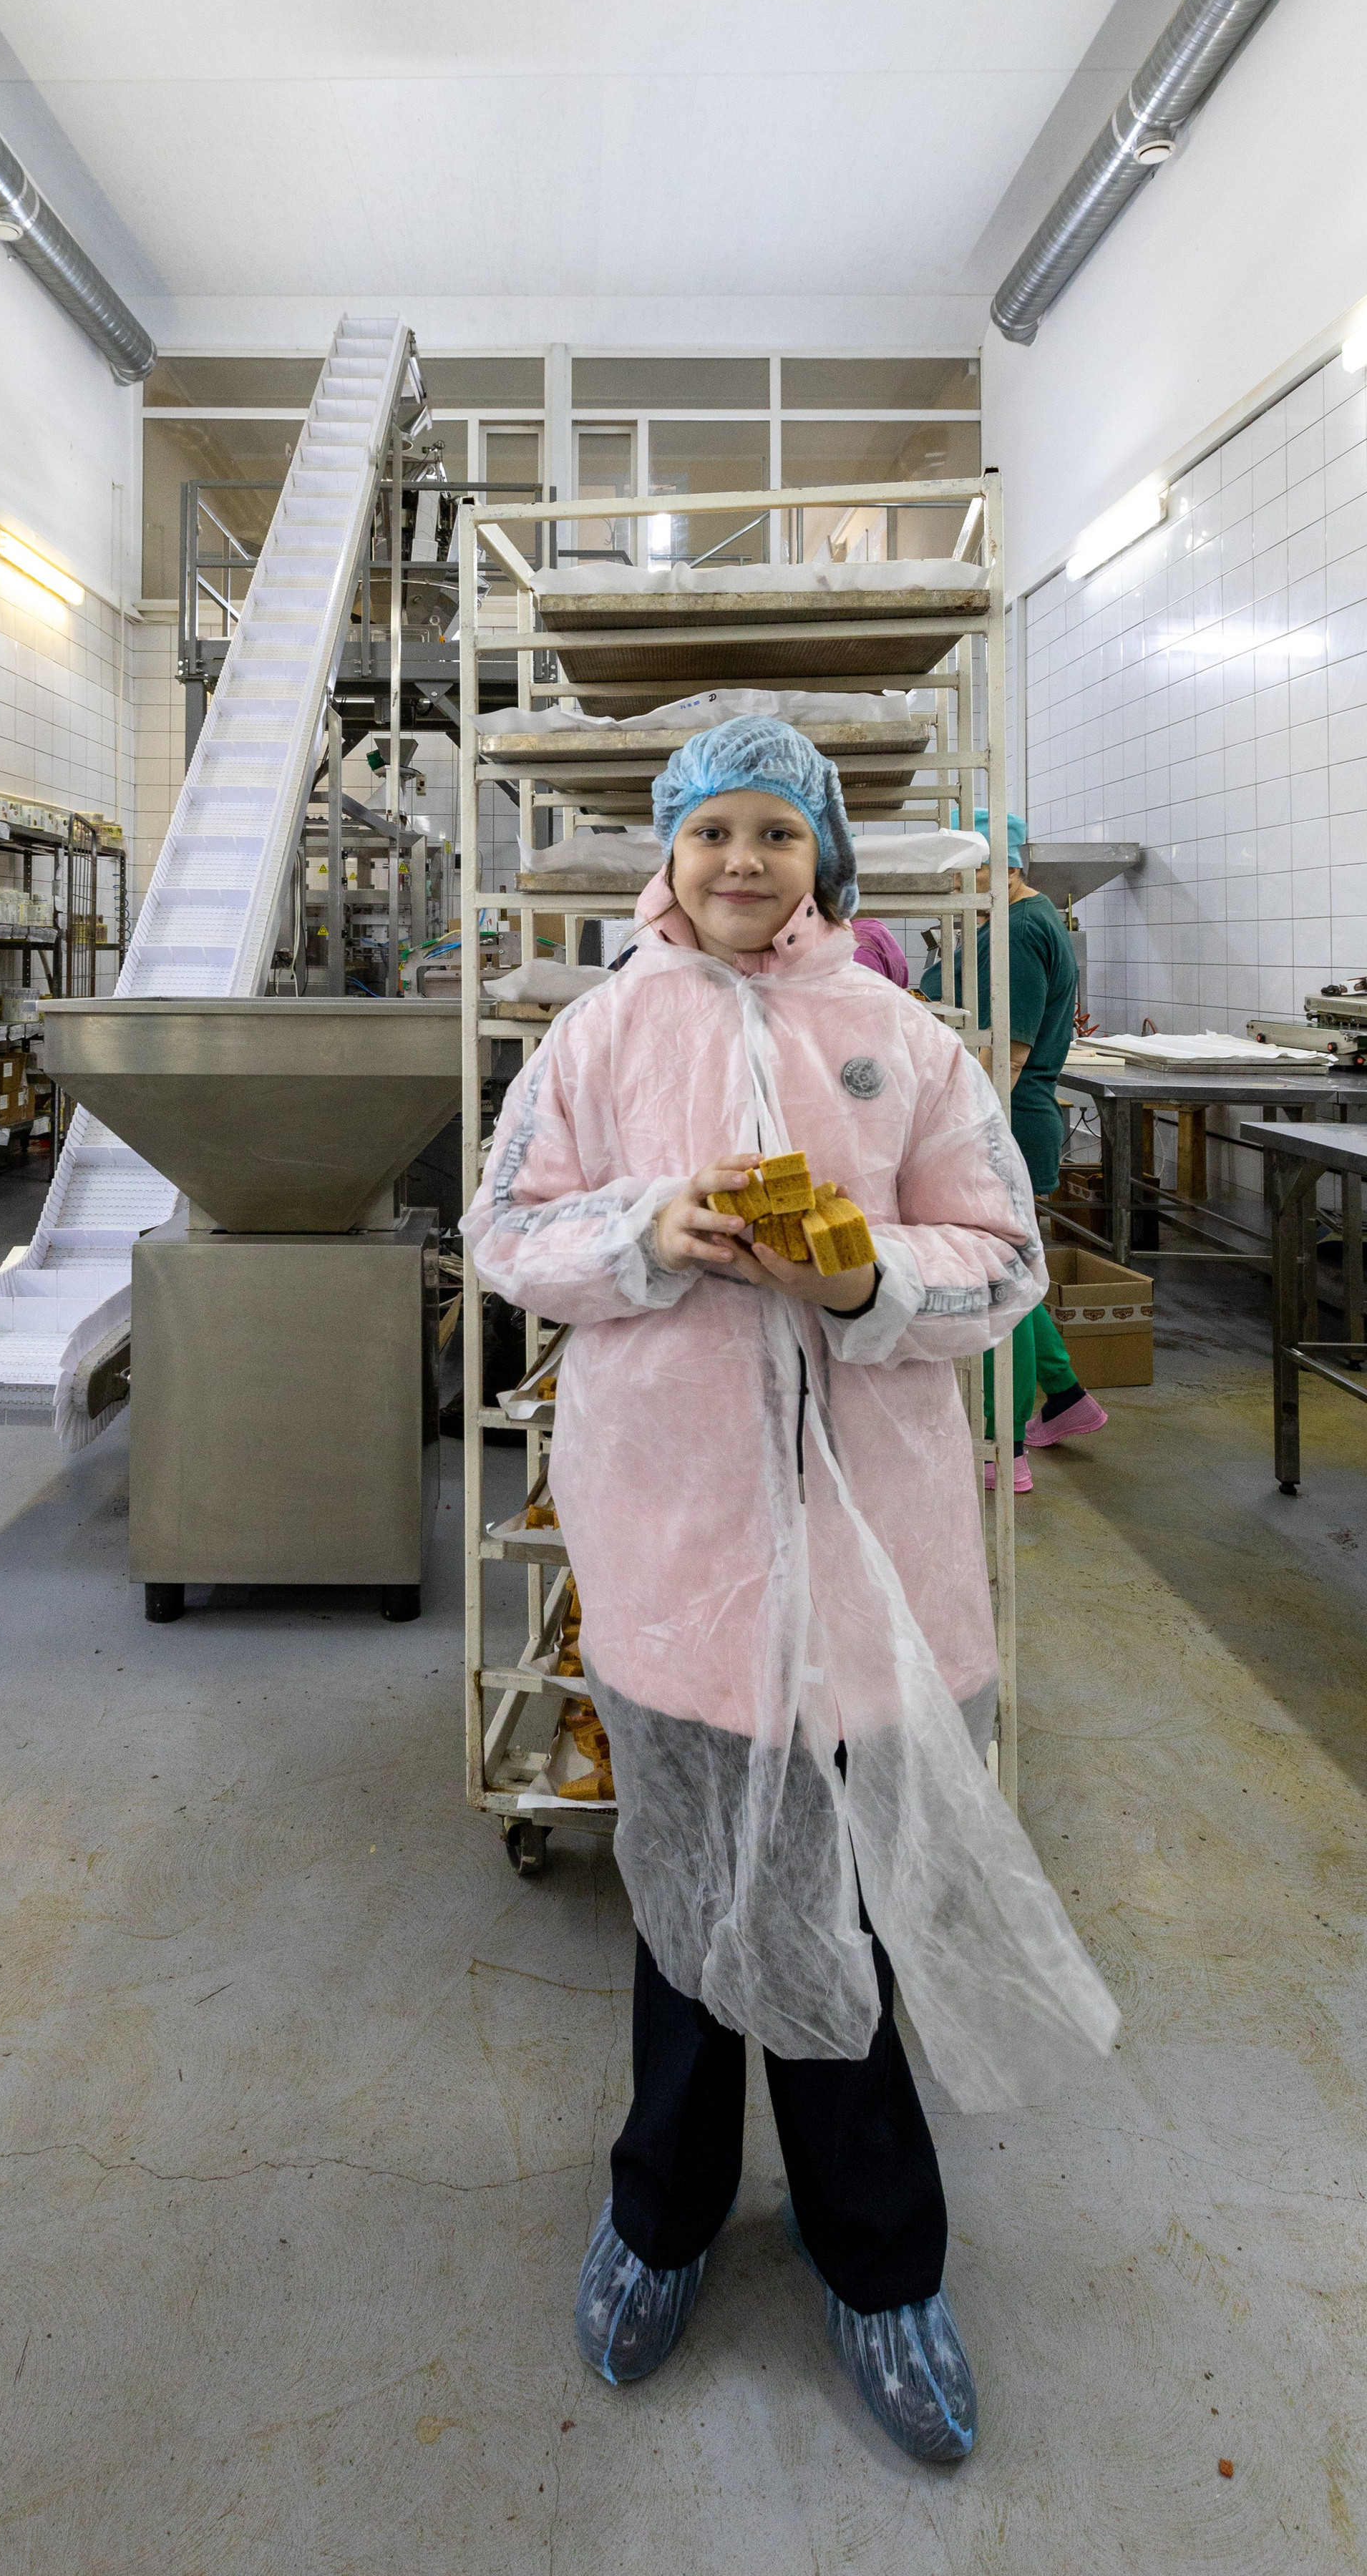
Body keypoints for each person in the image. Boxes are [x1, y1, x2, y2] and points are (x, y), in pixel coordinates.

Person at [463, 720, 1118, 2461]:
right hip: (675, 1541)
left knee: (845, 1911)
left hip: (864, 1556)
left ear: (821, 854)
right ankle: (659, 2218)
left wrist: (856, 1278)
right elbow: (503, 1230)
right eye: (709, 833)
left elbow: (1000, 1259)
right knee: (687, 1912)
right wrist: (642, 1233)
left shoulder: (899, 1039)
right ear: (664, 855)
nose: (740, 862)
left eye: (773, 831)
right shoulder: (599, 1033)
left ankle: (879, 2260)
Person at [918, 813, 1107, 1489]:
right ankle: (1066, 1398)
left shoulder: (1022, 930)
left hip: (1007, 1123)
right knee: (1018, 1273)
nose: (949, 883)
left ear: (1002, 863)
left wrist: (942, 1120)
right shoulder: (999, 923)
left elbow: (1010, 1055)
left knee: (1003, 1281)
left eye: (958, 867)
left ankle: (1007, 1446)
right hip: (997, 1119)